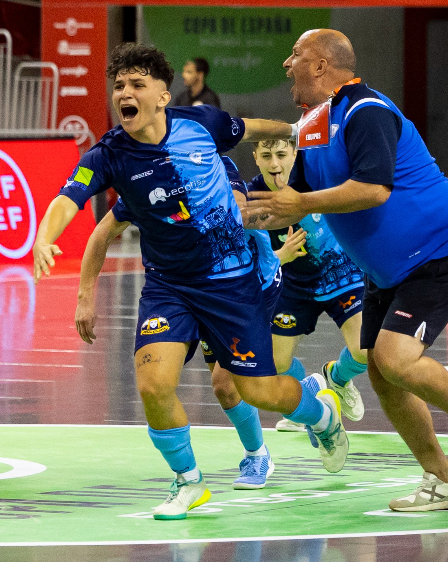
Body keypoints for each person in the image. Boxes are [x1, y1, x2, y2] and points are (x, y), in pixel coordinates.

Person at [34, 43, 344, 520]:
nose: (125, 93)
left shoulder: (201, 124)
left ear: (162, 96)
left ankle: (321, 414)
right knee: (153, 385)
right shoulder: (110, 156)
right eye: (118, 86)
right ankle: (188, 481)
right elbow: (68, 197)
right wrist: (45, 236)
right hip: (169, 287)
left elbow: (253, 129)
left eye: (137, 84)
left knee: (256, 390)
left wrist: (305, 129)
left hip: (233, 282)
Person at [245, 28, 448, 514]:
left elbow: (374, 189)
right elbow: (290, 207)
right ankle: (444, 483)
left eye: (295, 55)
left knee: (397, 358)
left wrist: (302, 201)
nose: (286, 64)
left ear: (321, 65)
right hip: (387, 272)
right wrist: (230, 217)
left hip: (438, 252)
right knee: (383, 375)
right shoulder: (312, 127)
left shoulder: (367, 112)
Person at [74, 153, 289, 491]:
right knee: (174, 385)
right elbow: (101, 235)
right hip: (187, 290)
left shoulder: (215, 164)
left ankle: (267, 447)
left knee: (227, 384)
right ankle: (193, 478)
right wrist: (85, 296)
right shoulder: (144, 180)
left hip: (247, 285)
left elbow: (236, 209)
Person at [249, 137, 367, 431]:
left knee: (366, 351)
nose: (275, 164)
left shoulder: (318, 175)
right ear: (256, 158)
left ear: (294, 153)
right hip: (291, 284)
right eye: (266, 156)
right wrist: (280, 256)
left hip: (340, 273)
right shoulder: (250, 198)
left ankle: (336, 377)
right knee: (276, 364)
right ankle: (311, 402)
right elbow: (247, 257)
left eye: (281, 154)